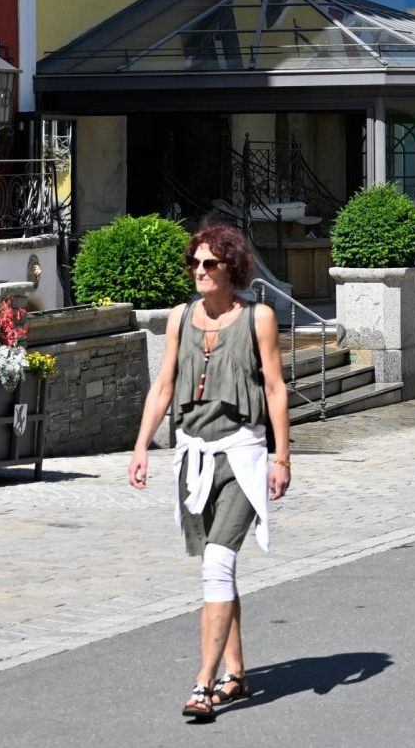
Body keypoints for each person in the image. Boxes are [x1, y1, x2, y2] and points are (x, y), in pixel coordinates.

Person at [128, 222, 292, 721]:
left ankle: (203, 682)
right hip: (191, 453)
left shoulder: (258, 318)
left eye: (209, 264)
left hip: (241, 453)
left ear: (232, 269)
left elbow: (275, 389)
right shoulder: (180, 317)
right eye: (195, 263)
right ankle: (236, 673)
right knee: (216, 567)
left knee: (218, 564)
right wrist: (141, 447)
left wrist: (281, 457)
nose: (199, 271)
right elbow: (163, 386)